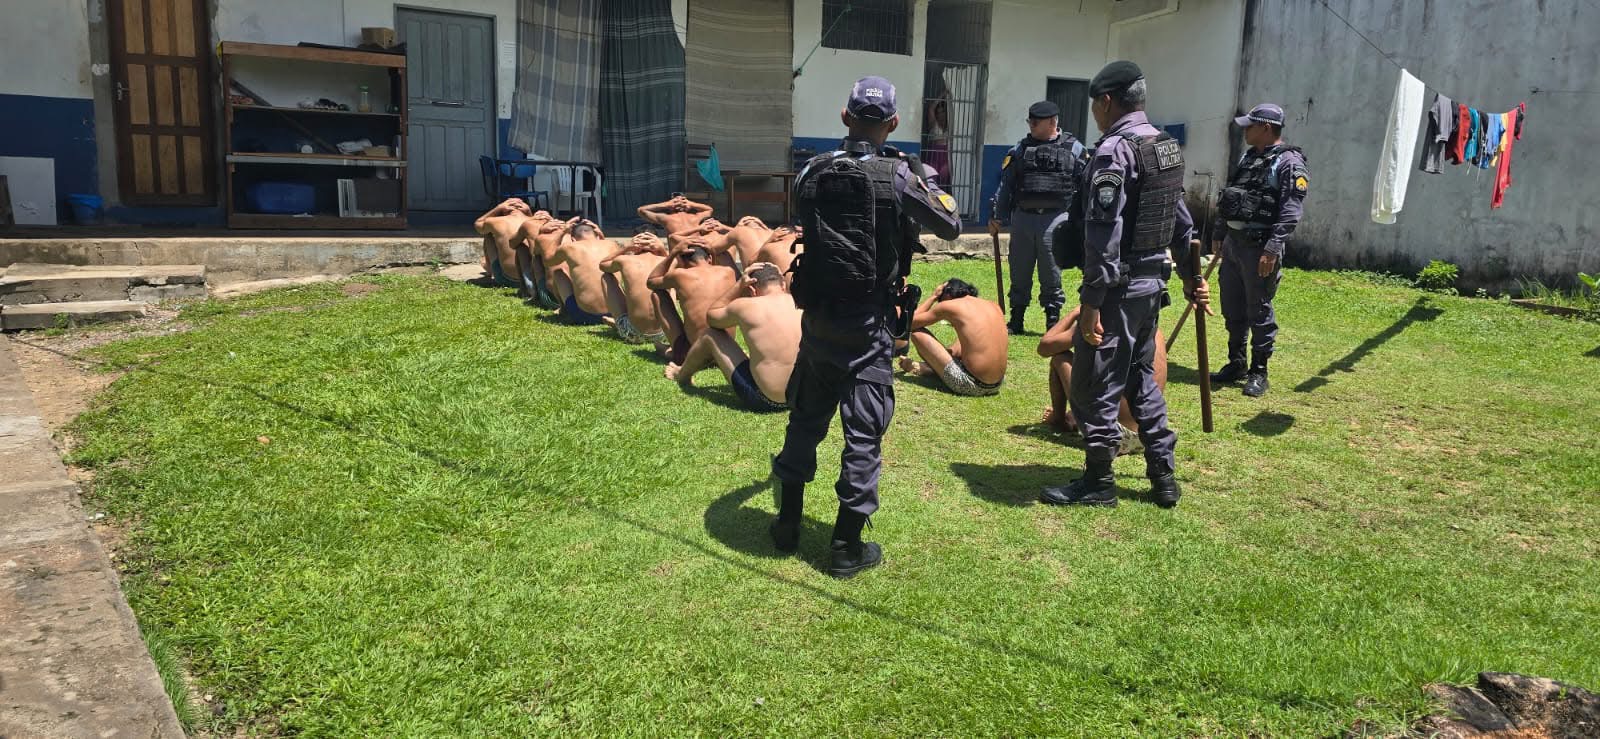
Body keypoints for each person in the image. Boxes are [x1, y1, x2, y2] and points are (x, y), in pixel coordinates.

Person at [772, 76, 961, 578]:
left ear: (845, 116)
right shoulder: (897, 176)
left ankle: (786, 525)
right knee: (863, 435)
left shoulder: (813, 169)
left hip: (818, 320)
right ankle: (845, 548)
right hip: (869, 324)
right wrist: (923, 180)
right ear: (893, 123)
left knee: (805, 420)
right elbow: (950, 225)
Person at [1041, 61, 1210, 510]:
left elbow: (1104, 232)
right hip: (1152, 286)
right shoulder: (1163, 147)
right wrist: (1192, 278)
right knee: (1139, 379)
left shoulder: (1114, 151)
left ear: (1105, 101)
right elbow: (1180, 221)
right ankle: (1163, 475)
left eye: (1095, 105)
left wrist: (1092, 300)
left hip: (1117, 288)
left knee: (1093, 384)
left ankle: (1099, 481)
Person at [1210, 103, 1309, 398]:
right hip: (1234, 244)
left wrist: (1273, 248)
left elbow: (1291, 210)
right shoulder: (1249, 156)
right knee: (1232, 305)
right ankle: (1236, 362)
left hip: (1260, 247)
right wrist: (1219, 231)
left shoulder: (1289, 162)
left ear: (1266, 128)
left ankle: (1259, 371)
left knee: (1259, 308)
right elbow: (1231, 196)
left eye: (1250, 126)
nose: (1245, 131)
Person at [988, 101, 1087, 335]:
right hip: (1023, 218)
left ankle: (1052, 320)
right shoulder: (1020, 149)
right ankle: (1017, 319)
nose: (1031, 125)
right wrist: (997, 217)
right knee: (1019, 270)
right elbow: (1006, 185)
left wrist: (1081, 222)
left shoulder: (1074, 149)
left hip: (1056, 218)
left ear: (1052, 122)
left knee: (1051, 271)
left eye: (1036, 122)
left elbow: (1085, 185)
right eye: (1029, 121)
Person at [666, 262, 801, 413]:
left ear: (751, 289)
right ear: (783, 285)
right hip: (806, 397)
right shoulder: (803, 303)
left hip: (767, 401)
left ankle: (681, 374)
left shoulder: (746, 306)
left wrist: (738, 286)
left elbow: (712, 317)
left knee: (710, 334)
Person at [1039, 306, 1168, 455]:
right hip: (1149, 433)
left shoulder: (1103, 322)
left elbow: (1045, 347)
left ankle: (1059, 419)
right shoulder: (1153, 328)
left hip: (1109, 433)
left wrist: (1077, 311)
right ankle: (1076, 416)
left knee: (1060, 358)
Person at [897, 279, 1008, 396]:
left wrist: (933, 297)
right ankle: (928, 368)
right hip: (997, 384)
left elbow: (908, 323)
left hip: (972, 385)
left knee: (917, 333)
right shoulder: (993, 305)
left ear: (947, 295)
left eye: (940, 300)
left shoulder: (949, 306)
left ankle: (928, 369)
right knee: (964, 340)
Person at [646, 238, 738, 365]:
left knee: (657, 294)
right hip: (727, 352)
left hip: (697, 355)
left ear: (682, 261)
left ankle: (676, 352)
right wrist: (713, 252)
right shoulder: (728, 272)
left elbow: (651, 281)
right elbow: (712, 269)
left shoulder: (679, 275)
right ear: (710, 258)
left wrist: (673, 253)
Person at [600, 232, 671, 347]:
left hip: (633, 333)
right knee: (670, 280)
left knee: (606, 276)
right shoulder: (667, 262)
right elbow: (672, 263)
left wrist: (625, 248)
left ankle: (619, 321)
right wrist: (662, 250)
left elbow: (603, 265)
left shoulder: (625, 260)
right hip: (666, 333)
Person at [549, 218, 618, 326]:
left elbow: (548, 260)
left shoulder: (569, 247)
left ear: (573, 239)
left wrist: (562, 232)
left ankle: (563, 309)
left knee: (558, 273)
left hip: (585, 315)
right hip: (618, 312)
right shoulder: (612, 244)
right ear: (598, 236)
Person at [474, 198, 534, 289]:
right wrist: (529, 212)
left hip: (507, 279)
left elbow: (478, 224)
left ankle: (489, 268)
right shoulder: (538, 222)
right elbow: (532, 227)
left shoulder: (495, 221)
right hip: (534, 279)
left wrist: (498, 208)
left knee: (488, 234)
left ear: (504, 211)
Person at [520, 214, 571, 309]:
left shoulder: (543, 238)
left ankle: (534, 294)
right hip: (578, 299)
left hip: (553, 300)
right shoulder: (575, 239)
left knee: (536, 258)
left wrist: (540, 232)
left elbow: (533, 253)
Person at [638, 194, 715, 236]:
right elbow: (641, 210)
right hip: (687, 250)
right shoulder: (667, 218)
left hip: (694, 249)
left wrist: (666, 204)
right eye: (675, 202)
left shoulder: (667, 218)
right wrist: (690, 203)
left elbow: (641, 210)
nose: (679, 203)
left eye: (683, 201)